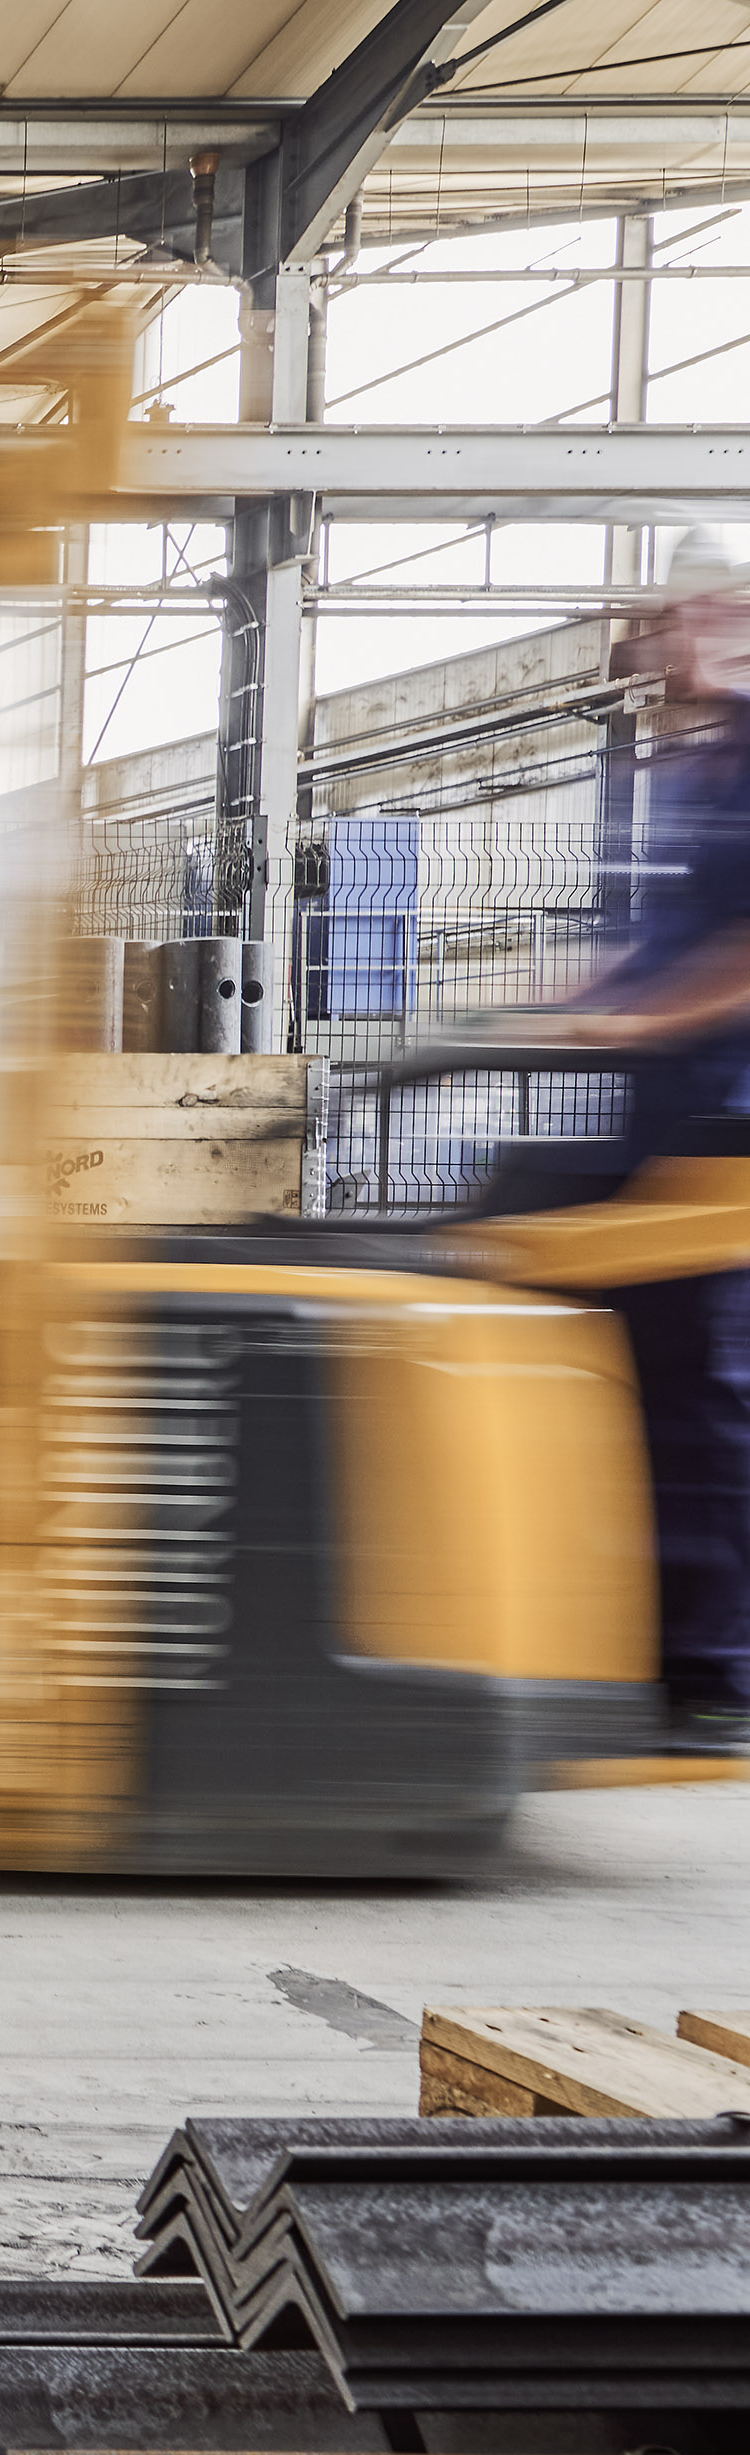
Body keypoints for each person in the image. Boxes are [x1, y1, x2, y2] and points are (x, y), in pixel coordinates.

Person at [521, 535, 750, 1740]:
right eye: (665, 618)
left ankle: (711, 1668)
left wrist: (639, 1014)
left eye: (708, 612)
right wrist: (561, 1003)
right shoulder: (675, 767)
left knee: (701, 1380)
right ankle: (617, 1636)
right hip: (652, 1104)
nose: (682, 638)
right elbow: (654, 939)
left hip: (728, 1125)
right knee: (581, 1330)